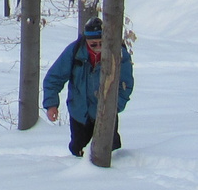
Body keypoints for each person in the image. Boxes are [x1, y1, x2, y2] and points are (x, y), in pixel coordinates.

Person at [43, 16, 133, 157]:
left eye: (101, 43)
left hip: (107, 113)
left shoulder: (119, 54)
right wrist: (51, 104)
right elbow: (54, 78)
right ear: (86, 41)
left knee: (111, 151)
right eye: (93, 44)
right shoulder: (75, 51)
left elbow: (126, 85)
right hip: (80, 114)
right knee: (78, 150)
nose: (98, 47)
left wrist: (115, 107)